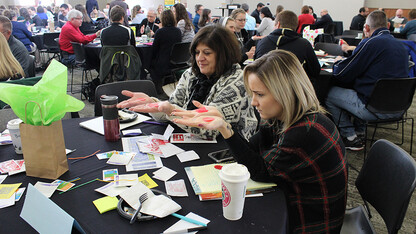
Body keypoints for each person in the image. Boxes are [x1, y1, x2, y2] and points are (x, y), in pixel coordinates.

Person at [172, 49, 347, 233]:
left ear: (285, 93)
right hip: (297, 203)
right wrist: (224, 125)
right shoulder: (286, 117)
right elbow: (253, 150)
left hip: (310, 223)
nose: (254, 102)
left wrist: (225, 128)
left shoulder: (304, 134)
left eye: (260, 95)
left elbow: (258, 171)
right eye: (253, 94)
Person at [117, 25, 258, 140]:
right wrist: (155, 104)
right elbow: (172, 108)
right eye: (197, 53)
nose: (200, 58)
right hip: (195, 140)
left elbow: (209, 129)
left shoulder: (237, 82)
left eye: (207, 53)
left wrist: (170, 111)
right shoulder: (191, 74)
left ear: (223, 54)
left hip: (230, 152)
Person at [325, 10, 409, 150]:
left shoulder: (371, 43)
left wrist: (338, 62)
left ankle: (349, 136)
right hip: (399, 107)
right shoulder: (402, 46)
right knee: (362, 87)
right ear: (388, 25)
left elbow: (342, 73)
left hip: (374, 108)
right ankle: (360, 131)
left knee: (329, 93)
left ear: (367, 28)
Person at [255, 10, 320, 84]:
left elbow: (256, 67)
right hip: (293, 90)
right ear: (296, 26)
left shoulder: (262, 42)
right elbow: (315, 70)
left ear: (278, 24)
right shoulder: (304, 44)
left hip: (264, 87)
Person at [148, 9, 181, 96]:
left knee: (149, 61)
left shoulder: (160, 32)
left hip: (163, 63)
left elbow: (154, 50)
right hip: (175, 62)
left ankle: (155, 89)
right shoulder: (178, 31)